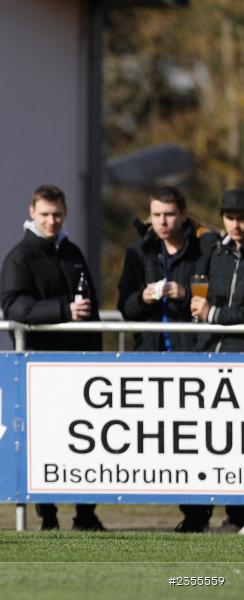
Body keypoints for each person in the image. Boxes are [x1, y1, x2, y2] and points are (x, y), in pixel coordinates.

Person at [0, 184, 105, 531]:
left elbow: (91, 308)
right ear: (32, 212)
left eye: (57, 214)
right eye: (45, 214)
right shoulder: (20, 256)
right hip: (41, 366)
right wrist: (65, 310)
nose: (51, 221)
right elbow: (14, 307)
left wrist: (96, 353)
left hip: (79, 365)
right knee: (45, 442)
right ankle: (48, 516)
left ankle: (86, 514)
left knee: (87, 441)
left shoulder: (73, 252)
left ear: (66, 214)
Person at [117, 187, 218, 533]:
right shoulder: (138, 252)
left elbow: (214, 295)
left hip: (192, 353)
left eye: (169, 214)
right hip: (150, 355)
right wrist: (143, 297)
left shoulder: (205, 248)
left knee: (195, 439)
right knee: (159, 439)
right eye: (156, 215)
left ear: (184, 215)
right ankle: (191, 510)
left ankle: (197, 514)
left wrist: (185, 293)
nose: (162, 222)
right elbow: (124, 308)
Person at [191, 188, 244, 534]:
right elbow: (197, 292)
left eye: (241, 217)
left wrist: (213, 313)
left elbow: (214, 309)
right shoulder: (213, 252)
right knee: (210, 441)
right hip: (212, 358)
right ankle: (201, 514)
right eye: (230, 217)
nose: (236, 224)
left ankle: (239, 514)